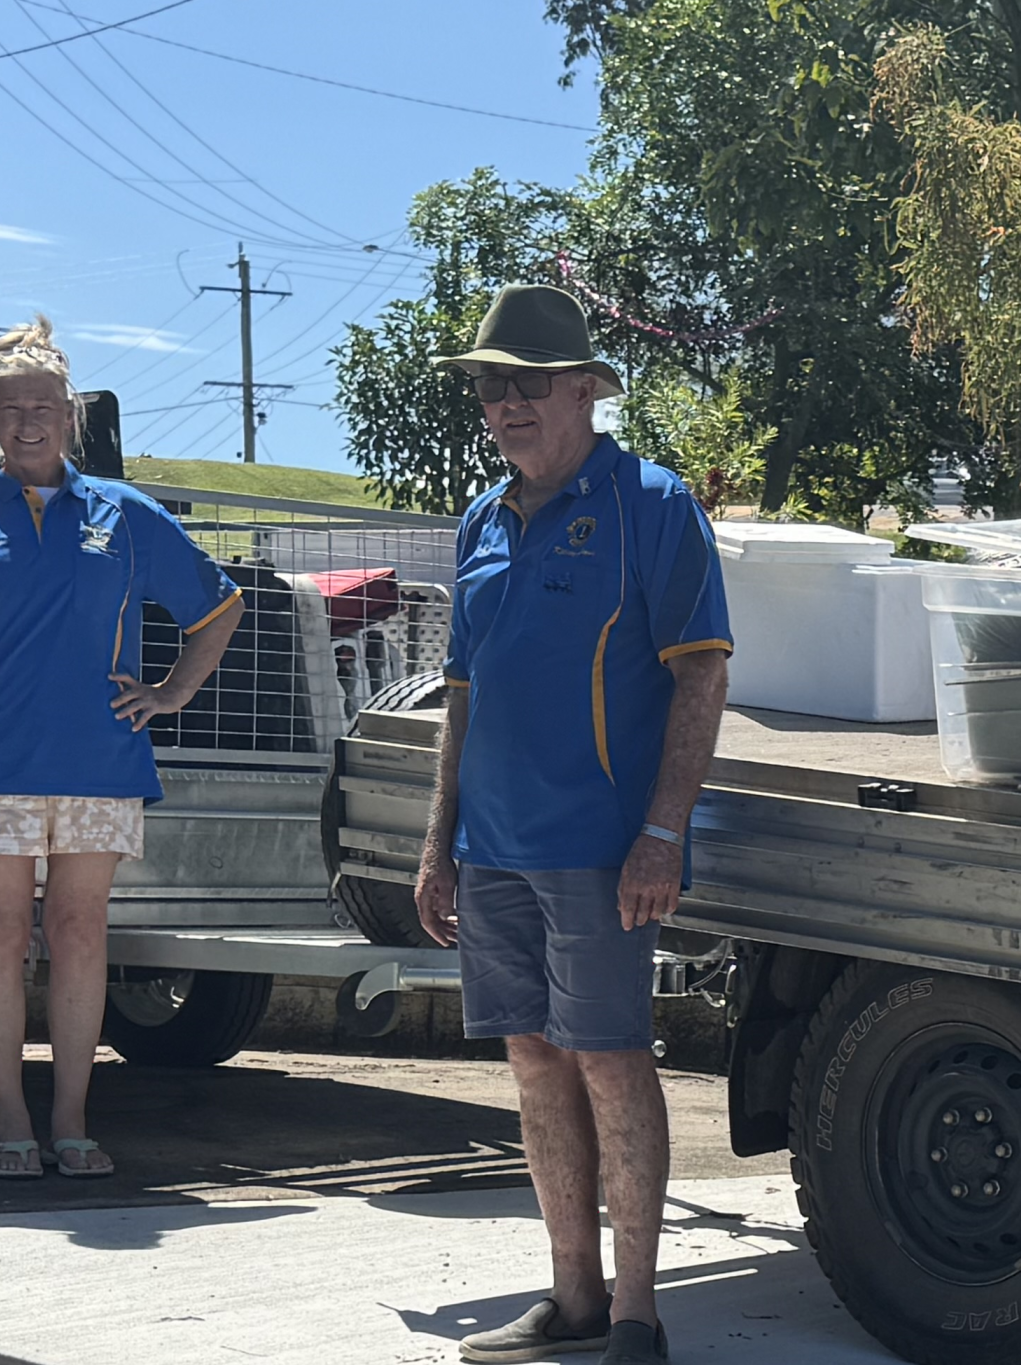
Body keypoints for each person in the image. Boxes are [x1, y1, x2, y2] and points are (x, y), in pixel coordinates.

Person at [416, 285, 731, 1365]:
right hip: (490, 849)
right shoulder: (480, 520)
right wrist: (437, 842)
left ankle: (638, 1314)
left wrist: (661, 833)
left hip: (600, 851)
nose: (506, 405)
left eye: (529, 384)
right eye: (491, 387)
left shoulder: (650, 503)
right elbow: (461, 692)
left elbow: (699, 678)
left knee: (607, 1058)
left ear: (587, 390)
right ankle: (573, 1297)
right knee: (532, 1062)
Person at [0, 317, 244, 1180]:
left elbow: (217, 606)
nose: (28, 421)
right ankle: (11, 1117)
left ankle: (73, 1118)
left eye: (44, 406)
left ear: (70, 414)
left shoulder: (124, 513)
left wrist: (171, 691)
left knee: (80, 931)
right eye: (11, 408)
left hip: (100, 762)